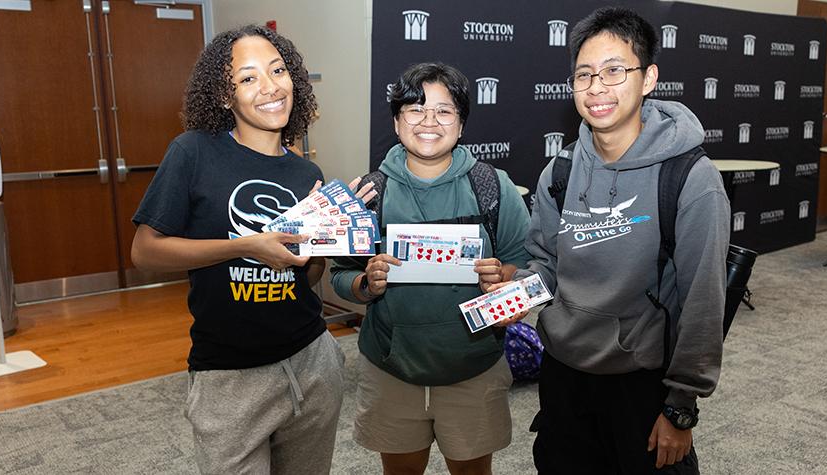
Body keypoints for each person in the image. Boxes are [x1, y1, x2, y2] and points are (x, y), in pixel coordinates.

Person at [131, 25, 373, 474]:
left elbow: (306, 278)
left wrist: (319, 236)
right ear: (226, 96)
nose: (270, 87)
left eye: (277, 71)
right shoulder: (193, 152)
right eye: (248, 78)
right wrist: (245, 246)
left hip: (312, 363)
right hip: (228, 374)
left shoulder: (306, 173)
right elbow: (145, 252)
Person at [512, 7, 730, 474]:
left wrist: (681, 406)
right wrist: (512, 293)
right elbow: (546, 265)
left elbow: (703, 303)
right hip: (564, 374)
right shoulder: (561, 170)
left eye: (614, 71)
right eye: (584, 75)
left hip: (641, 381)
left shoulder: (690, 178)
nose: (596, 88)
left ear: (648, 78)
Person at [330, 62, 531, 475]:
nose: (429, 122)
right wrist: (367, 282)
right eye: (415, 110)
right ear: (396, 121)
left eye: (444, 111)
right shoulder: (369, 193)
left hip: (473, 368)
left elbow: (526, 266)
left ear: (461, 124)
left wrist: (503, 280)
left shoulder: (493, 187)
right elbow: (339, 275)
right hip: (391, 368)